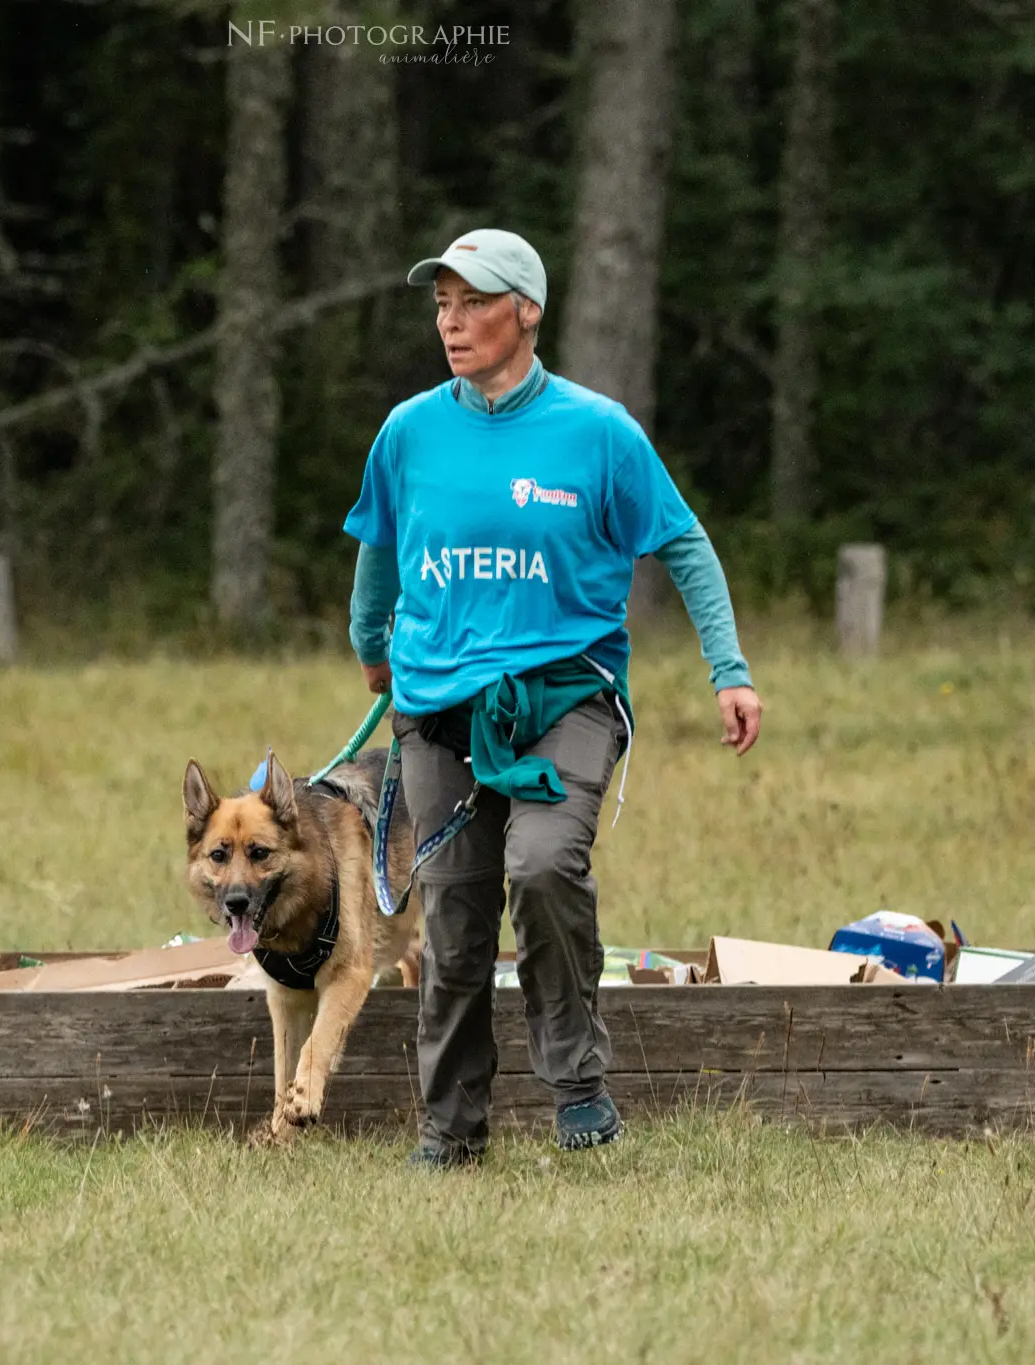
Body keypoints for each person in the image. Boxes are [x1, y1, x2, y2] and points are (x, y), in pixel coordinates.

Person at [344, 227, 762, 1167]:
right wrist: (374, 651)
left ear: (526, 311)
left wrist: (728, 670)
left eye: (473, 303)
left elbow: (685, 545)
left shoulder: (599, 431)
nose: (451, 323)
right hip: (442, 709)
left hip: (566, 698)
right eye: (442, 305)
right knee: (452, 914)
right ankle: (450, 1131)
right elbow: (378, 548)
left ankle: (578, 1085)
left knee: (538, 867)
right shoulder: (409, 430)